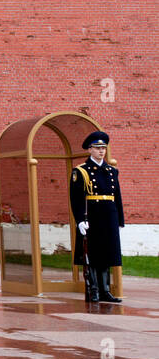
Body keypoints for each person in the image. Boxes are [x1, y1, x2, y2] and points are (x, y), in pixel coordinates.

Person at [70, 130, 123, 304]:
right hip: (92, 216)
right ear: (89, 149)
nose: (101, 151)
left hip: (109, 216)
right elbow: (76, 199)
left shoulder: (111, 171)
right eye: (97, 148)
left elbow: (117, 196)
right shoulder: (81, 171)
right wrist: (80, 220)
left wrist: (120, 220)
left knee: (107, 254)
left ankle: (105, 290)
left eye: (103, 148)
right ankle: (93, 290)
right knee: (92, 254)